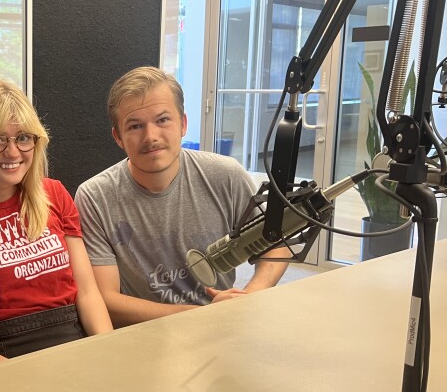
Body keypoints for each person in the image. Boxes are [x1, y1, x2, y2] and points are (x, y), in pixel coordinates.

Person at [74, 66, 288, 328]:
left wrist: (248, 295)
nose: (151, 137)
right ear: (118, 137)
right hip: (142, 336)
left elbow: (276, 243)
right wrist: (198, 314)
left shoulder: (226, 175)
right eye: (135, 126)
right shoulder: (95, 197)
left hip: (221, 325)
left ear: (183, 124)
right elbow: (106, 299)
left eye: (162, 120)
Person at [0, 79, 112, 359]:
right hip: (3, 355)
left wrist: (108, 351)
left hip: (73, 340)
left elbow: (87, 293)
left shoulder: (54, 193)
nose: (13, 152)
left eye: (23, 137)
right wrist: (17, 376)